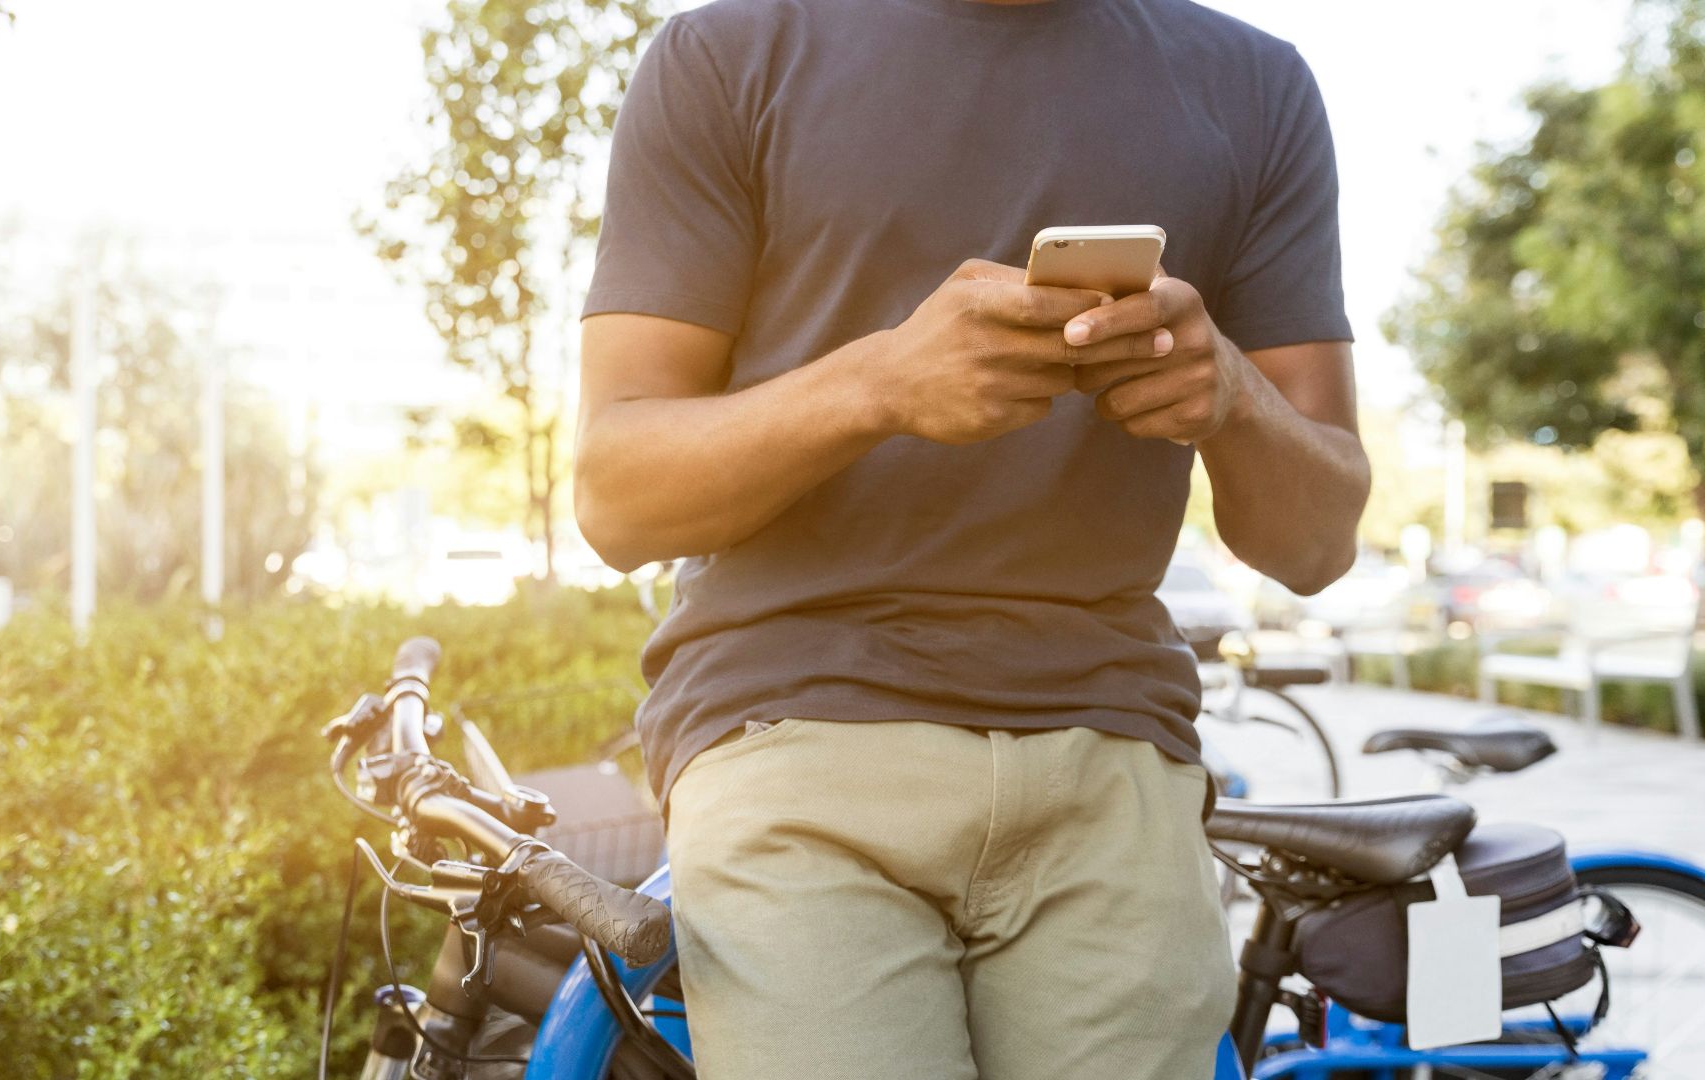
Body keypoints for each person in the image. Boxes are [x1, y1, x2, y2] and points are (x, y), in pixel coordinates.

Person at [573, 0, 1368, 1075]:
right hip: (797, 733)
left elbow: (1315, 545)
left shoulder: (1255, 86)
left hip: (1112, 757)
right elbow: (618, 498)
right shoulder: (728, 56)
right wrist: (880, 383)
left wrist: (1228, 393)